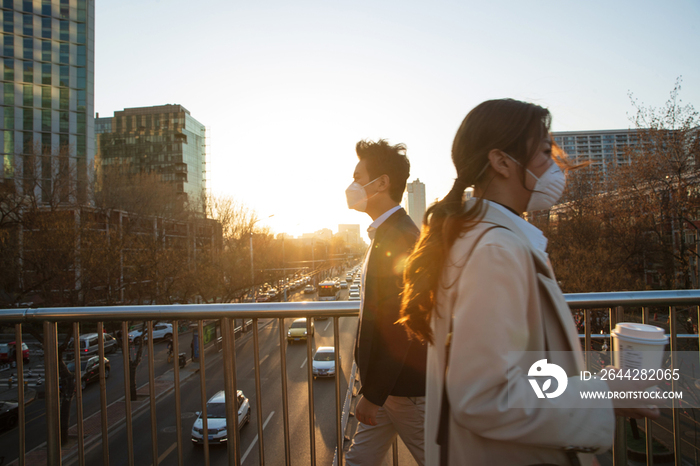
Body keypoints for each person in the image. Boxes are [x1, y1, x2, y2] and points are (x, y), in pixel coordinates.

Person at [398, 99, 660, 465]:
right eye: (543, 152)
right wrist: (602, 394)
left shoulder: (486, 238)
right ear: (502, 161)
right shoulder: (496, 249)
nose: (555, 166)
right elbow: (485, 397)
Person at [345, 139, 427, 466]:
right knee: (358, 461)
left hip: (405, 391)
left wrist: (373, 394)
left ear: (382, 183)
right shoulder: (386, 234)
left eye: (357, 176)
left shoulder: (402, 238)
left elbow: (401, 323)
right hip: (389, 392)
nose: (351, 185)